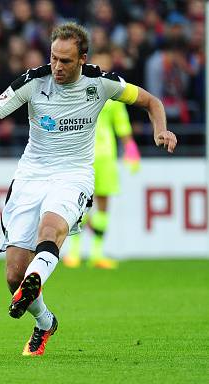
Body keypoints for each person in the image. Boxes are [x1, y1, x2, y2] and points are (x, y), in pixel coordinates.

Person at [0, 23, 177, 356]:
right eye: (53, 58)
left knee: (50, 230)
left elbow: (152, 102)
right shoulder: (33, 82)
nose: (57, 67)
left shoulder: (101, 83)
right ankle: (45, 322)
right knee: (13, 276)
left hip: (74, 174)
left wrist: (160, 131)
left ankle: (36, 279)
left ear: (82, 58)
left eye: (65, 61)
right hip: (30, 175)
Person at [63, 51, 140, 269]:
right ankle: (74, 252)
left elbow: (122, 124)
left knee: (104, 203)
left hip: (106, 155)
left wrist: (131, 148)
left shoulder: (114, 93)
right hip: (82, 154)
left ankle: (97, 253)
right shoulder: (78, 90)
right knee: (80, 203)